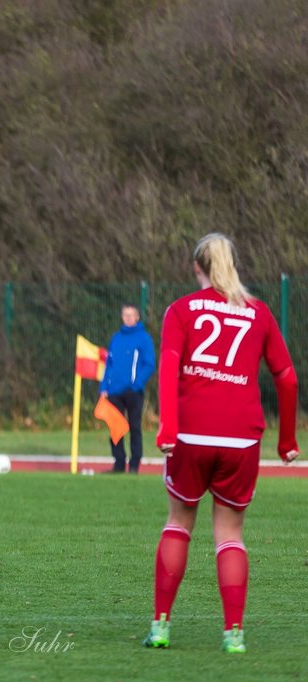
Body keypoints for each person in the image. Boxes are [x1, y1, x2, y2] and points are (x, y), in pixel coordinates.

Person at [144, 233, 298, 654]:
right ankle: (234, 634)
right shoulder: (260, 313)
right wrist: (287, 440)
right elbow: (287, 377)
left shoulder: (181, 310)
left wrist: (167, 430)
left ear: (198, 268)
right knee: (229, 532)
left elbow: (170, 368)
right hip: (240, 439)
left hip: (192, 435)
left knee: (179, 523)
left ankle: (160, 626)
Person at [99, 303, 156, 473]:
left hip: (133, 391)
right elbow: (109, 364)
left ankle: (134, 464)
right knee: (115, 427)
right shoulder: (116, 338)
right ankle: (118, 463)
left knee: (135, 427)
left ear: (137, 317)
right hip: (114, 390)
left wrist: (137, 383)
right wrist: (104, 386)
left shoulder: (143, 338)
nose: (128, 318)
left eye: (131, 315)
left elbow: (149, 364)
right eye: (125, 315)